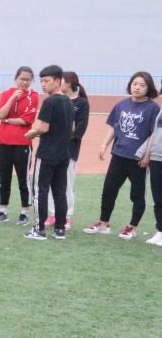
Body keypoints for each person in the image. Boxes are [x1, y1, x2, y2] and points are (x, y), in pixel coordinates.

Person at [84, 72, 161, 239]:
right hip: (118, 155)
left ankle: (132, 227)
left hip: (138, 159)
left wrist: (146, 155)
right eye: (135, 84)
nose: (137, 87)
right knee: (109, 190)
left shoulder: (153, 108)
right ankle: (103, 223)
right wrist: (104, 145)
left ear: (148, 88)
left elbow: (153, 134)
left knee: (137, 195)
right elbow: (114, 127)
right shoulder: (121, 104)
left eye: (142, 85)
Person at [22, 65, 74, 241]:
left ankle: (39, 230)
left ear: (58, 81)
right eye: (42, 81)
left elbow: (43, 127)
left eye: (47, 81)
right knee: (60, 192)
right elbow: (72, 127)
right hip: (63, 154)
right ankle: (60, 229)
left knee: (40, 191)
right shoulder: (68, 101)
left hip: (47, 154)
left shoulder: (50, 102)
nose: (43, 84)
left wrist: (32, 133)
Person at [0, 66, 38, 225]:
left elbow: (26, 120)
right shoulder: (6, 94)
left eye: (28, 80)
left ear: (32, 80)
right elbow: (1, 114)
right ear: (16, 79)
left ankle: (24, 212)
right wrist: (12, 98)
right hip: (3, 142)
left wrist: (7, 120)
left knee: (23, 179)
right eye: (21, 79)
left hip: (22, 143)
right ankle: (3, 210)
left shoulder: (33, 97)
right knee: (4, 178)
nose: (24, 82)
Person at [46, 71, 89, 231]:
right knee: (50, 182)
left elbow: (80, 129)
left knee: (67, 183)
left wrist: (64, 136)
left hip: (69, 150)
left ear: (69, 83)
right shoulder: (55, 99)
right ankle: (53, 214)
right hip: (51, 149)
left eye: (60, 81)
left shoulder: (81, 103)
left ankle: (66, 216)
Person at [137, 106, 162, 245]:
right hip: (156, 157)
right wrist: (147, 154)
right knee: (158, 197)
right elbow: (155, 132)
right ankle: (160, 231)